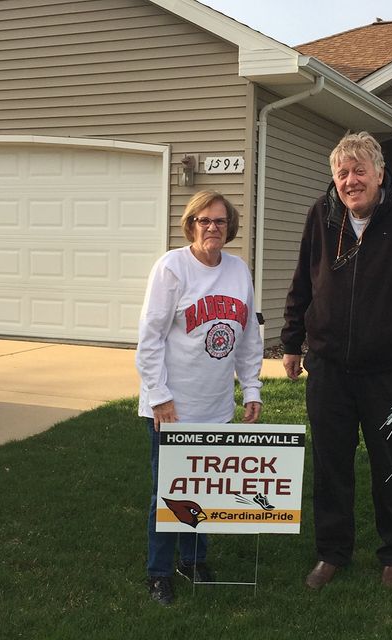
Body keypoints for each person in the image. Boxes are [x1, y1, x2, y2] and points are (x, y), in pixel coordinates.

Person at [280, 132, 392, 589]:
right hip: (328, 369)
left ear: (379, 172)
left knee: (390, 466)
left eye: (360, 171)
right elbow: (303, 282)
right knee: (331, 466)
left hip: (388, 371)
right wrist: (292, 343)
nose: (351, 180)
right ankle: (332, 553)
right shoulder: (321, 215)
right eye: (342, 173)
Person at [136, 190, 263, 605]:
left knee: (203, 488)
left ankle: (193, 559)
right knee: (169, 491)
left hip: (216, 406)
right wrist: (159, 397)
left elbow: (248, 339)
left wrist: (252, 388)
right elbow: (149, 339)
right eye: (204, 220)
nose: (212, 227)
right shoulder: (172, 268)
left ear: (231, 228)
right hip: (173, 407)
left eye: (220, 221)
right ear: (190, 224)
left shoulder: (239, 270)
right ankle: (158, 572)